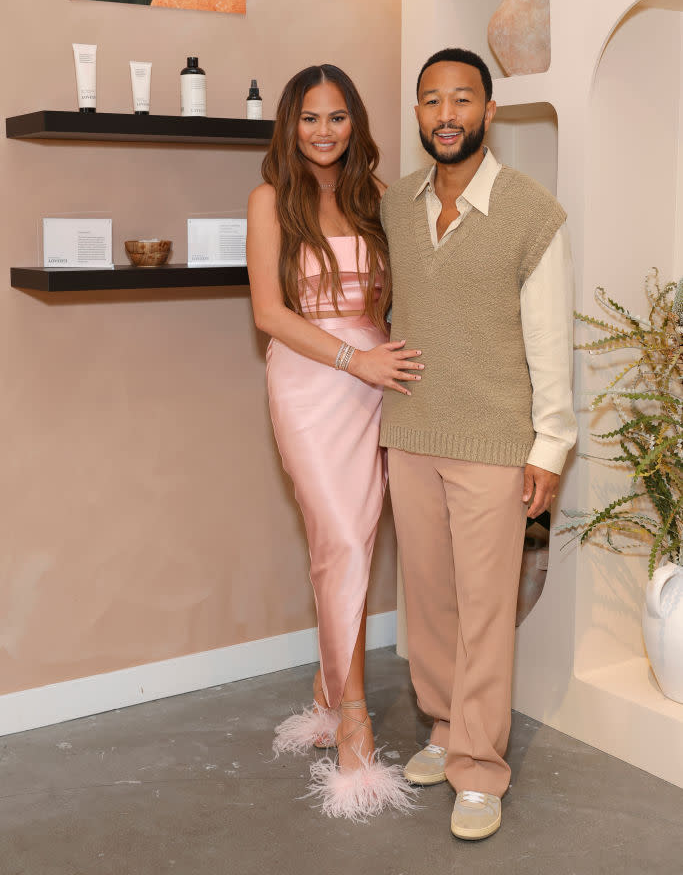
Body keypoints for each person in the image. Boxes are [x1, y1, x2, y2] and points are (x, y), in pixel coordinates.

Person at [380, 48, 576, 840]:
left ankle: (479, 767)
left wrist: (549, 448)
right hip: (412, 431)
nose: (446, 115)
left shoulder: (530, 212)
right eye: (431, 101)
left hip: (496, 440)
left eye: (462, 99)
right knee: (427, 601)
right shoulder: (396, 205)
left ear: (488, 112)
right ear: (419, 115)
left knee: (486, 609)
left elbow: (550, 339)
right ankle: (441, 726)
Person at [247, 64, 421, 820]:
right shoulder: (268, 201)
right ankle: (352, 720)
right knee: (342, 542)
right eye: (311, 118)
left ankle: (327, 688)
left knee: (354, 539)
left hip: (377, 378)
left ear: (355, 123)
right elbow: (269, 314)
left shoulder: (377, 198)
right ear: (290, 124)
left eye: (339, 117)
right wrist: (356, 357)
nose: (325, 131)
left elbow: (409, 291)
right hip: (312, 382)